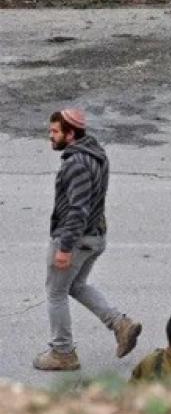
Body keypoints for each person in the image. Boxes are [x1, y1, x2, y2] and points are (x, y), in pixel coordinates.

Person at [33, 109, 142, 372]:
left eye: (55, 132)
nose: (50, 136)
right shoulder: (96, 153)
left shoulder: (77, 164)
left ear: (71, 134)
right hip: (95, 237)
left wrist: (65, 247)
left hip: (77, 239)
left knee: (56, 293)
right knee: (76, 285)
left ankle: (62, 352)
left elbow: (77, 210)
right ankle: (120, 324)